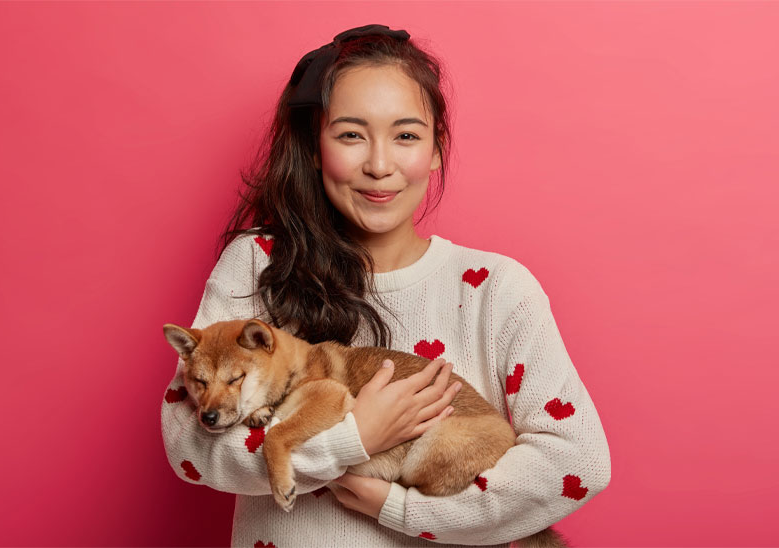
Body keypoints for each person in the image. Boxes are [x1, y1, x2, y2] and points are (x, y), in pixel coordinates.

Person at [160, 24, 611, 548]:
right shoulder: (259, 263)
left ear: (437, 149)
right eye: (351, 135)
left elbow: (577, 461)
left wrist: (399, 508)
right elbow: (189, 446)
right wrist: (351, 439)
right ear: (314, 147)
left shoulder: (495, 289)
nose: (378, 165)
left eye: (406, 136)